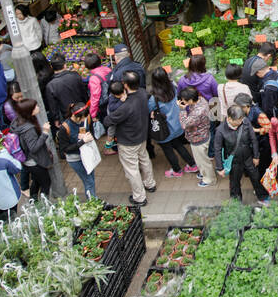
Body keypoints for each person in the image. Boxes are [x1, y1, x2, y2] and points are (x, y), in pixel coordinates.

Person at [106, 77, 155, 206]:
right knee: (144, 159)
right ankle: (150, 184)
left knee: (132, 169)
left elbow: (108, 121)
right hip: (142, 135)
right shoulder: (143, 93)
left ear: (126, 85)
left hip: (128, 141)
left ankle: (139, 197)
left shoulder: (124, 106)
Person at [149, 69, 196, 177]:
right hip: (177, 125)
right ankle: (192, 165)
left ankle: (177, 170)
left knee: (167, 149)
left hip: (165, 129)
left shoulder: (154, 98)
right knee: (178, 145)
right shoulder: (173, 88)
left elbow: (148, 109)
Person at [214, 104, 266, 202]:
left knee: (256, 177)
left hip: (248, 157)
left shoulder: (245, 122)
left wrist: (256, 156)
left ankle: (262, 197)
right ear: (229, 118)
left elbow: (253, 139)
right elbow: (217, 149)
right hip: (234, 162)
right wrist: (219, 167)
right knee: (234, 183)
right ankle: (236, 203)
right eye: (237, 121)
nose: (240, 122)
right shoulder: (220, 131)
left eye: (241, 120)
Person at [9, 98, 55, 201]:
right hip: (34, 161)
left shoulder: (17, 121)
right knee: (45, 183)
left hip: (27, 160)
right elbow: (34, 148)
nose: (38, 107)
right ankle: (44, 205)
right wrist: (45, 133)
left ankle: (33, 201)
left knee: (36, 181)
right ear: (30, 111)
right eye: (35, 107)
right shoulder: (29, 129)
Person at [54, 103, 97, 198]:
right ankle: (94, 202)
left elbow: (91, 133)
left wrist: (88, 136)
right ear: (76, 116)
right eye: (82, 118)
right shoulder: (65, 128)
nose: (84, 120)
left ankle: (93, 200)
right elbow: (65, 149)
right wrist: (82, 141)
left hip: (87, 155)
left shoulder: (87, 118)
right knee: (88, 181)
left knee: (91, 179)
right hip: (75, 158)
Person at [178, 87, 214, 187]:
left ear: (190, 100)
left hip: (199, 138)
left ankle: (209, 179)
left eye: (184, 100)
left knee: (203, 161)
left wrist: (182, 110)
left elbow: (184, 124)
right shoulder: (201, 100)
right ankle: (203, 173)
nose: (182, 101)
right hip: (201, 134)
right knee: (200, 159)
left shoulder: (198, 112)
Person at [45, 53, 87, 124]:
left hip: (67, 116)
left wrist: (56, 119)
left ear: (51, 67)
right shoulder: (75, 76)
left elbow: (53, 106)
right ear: (65, 65)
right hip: (81, 110)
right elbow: (84, 93)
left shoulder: (50, 85)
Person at [84, 52, 113, 136]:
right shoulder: (108, 69)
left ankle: (113, 140)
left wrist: (93, 113)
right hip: (112, 98)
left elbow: (95, 97)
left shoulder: (94, 78)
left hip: (104, 104)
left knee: (108, 124)